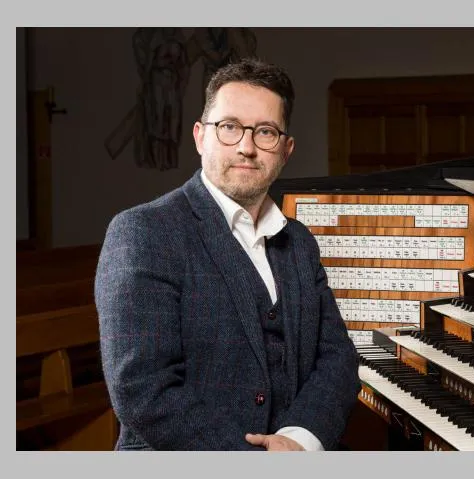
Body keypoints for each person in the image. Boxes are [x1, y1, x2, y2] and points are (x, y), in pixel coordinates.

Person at [95, 58, 361, 451]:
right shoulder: (143, 232)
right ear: (200, 137)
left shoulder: (300, 242)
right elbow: (143, 390)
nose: (246, 147)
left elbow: (337, 358)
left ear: (286, 150)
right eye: (230, 127)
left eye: (265, 132)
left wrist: (300, 441)